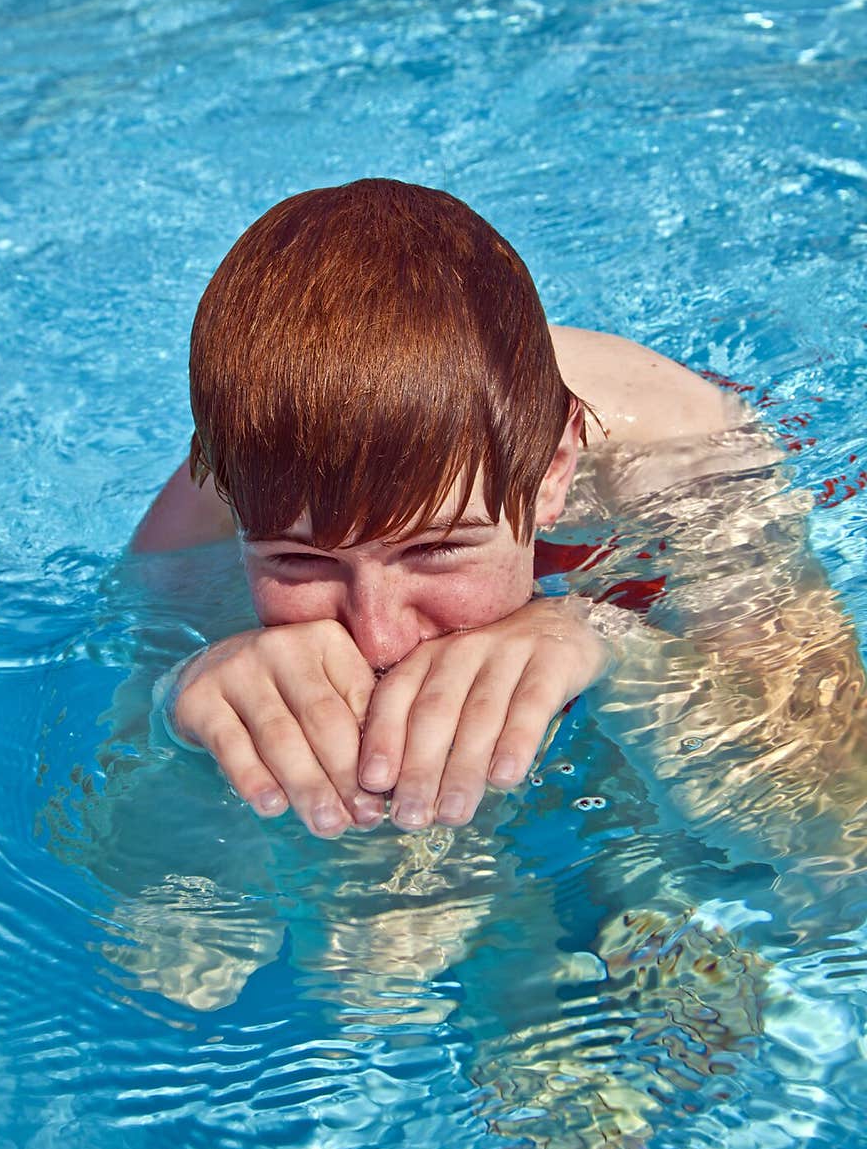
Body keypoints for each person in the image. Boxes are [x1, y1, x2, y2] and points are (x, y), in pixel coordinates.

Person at [132, 176, 744, 841]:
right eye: (298, 559)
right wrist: (179, 701)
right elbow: (131, 823)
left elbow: (836, 828)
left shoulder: (692, 465)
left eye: (437, 548)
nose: (379, 640)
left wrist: (613, 645)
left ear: (553, 472)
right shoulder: (227, 498)